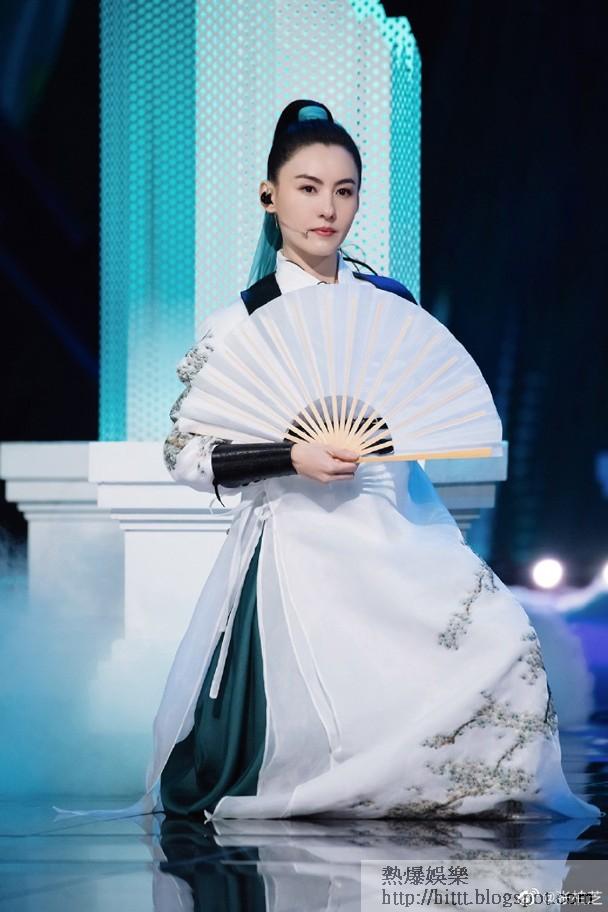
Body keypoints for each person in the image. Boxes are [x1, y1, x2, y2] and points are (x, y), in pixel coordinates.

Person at [54, 99, 602, 823]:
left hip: (397, 521)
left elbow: (419, 405)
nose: (327, 208)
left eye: (344, 191)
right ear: (270, 196)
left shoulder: (389, 303)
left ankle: (460, 783)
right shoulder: (242, 321)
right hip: (300, 538)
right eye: (308, 188)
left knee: (502, 638)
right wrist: (290, 454)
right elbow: (184, 453)